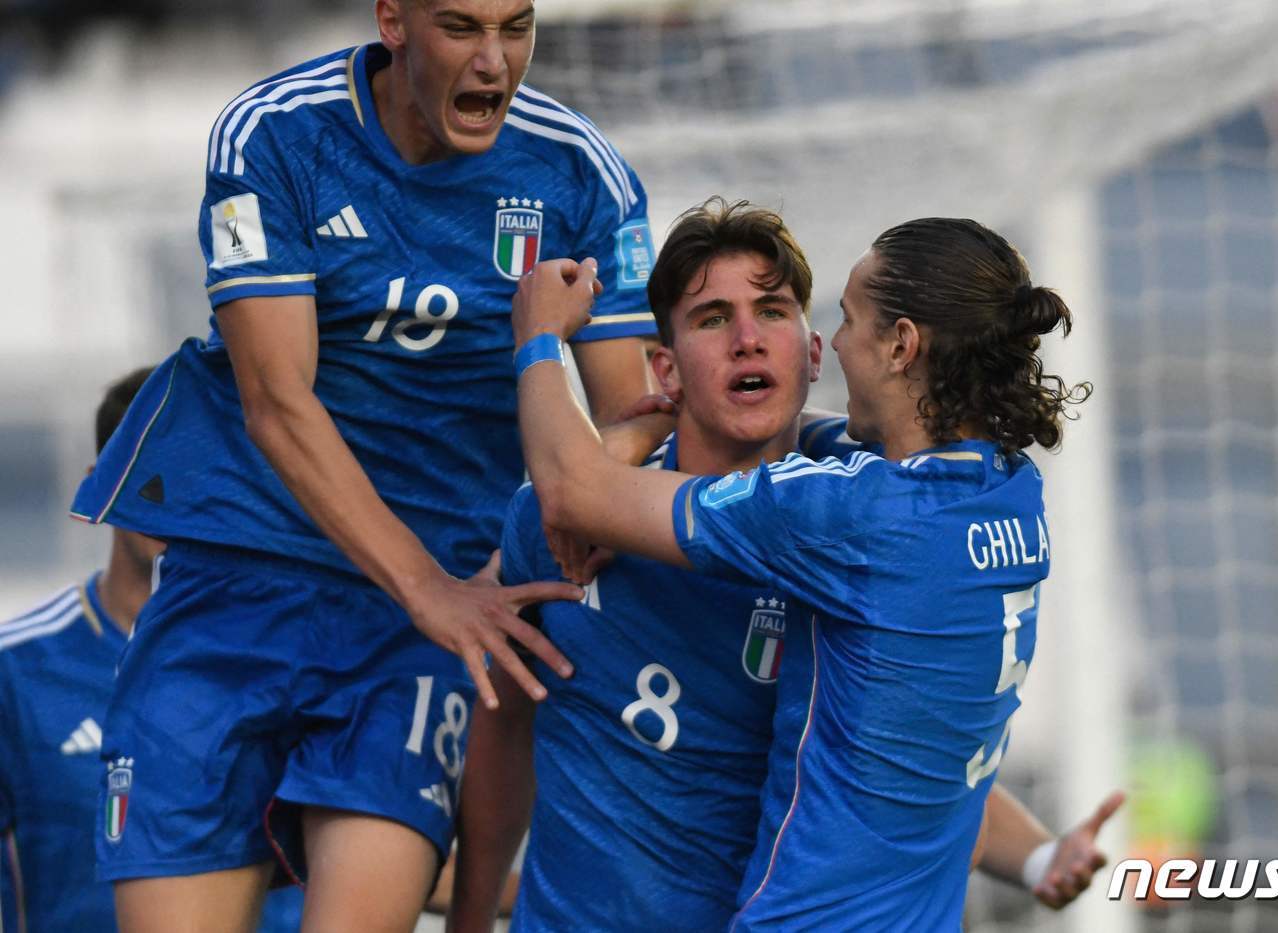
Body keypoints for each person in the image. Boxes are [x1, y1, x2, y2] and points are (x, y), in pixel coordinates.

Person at [68, 0, 657, 929]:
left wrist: (540, 523)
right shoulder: (273, 133)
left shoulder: (579, 171)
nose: (496, 61)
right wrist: (428, 586)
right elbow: (276, 400)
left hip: (422, 625)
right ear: (393, 21)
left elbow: (635, 417)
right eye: (461, 27)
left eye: (517, 27)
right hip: (241, 582)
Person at [460, 202, 1108, 929]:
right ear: (667, 368)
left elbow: (575, 490)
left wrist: (540, 339)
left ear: (818, 354)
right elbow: (902, 751)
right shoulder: (1002, 487)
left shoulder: (841, 521)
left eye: (775, 312)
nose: (746, 340)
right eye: (713, 319)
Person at [0, 368, 303, 932]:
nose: (179, 501)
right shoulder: (15, 671)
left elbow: (372, 841)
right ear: (101, 487)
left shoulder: (305, 661)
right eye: (153, 473)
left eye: (205, 475)